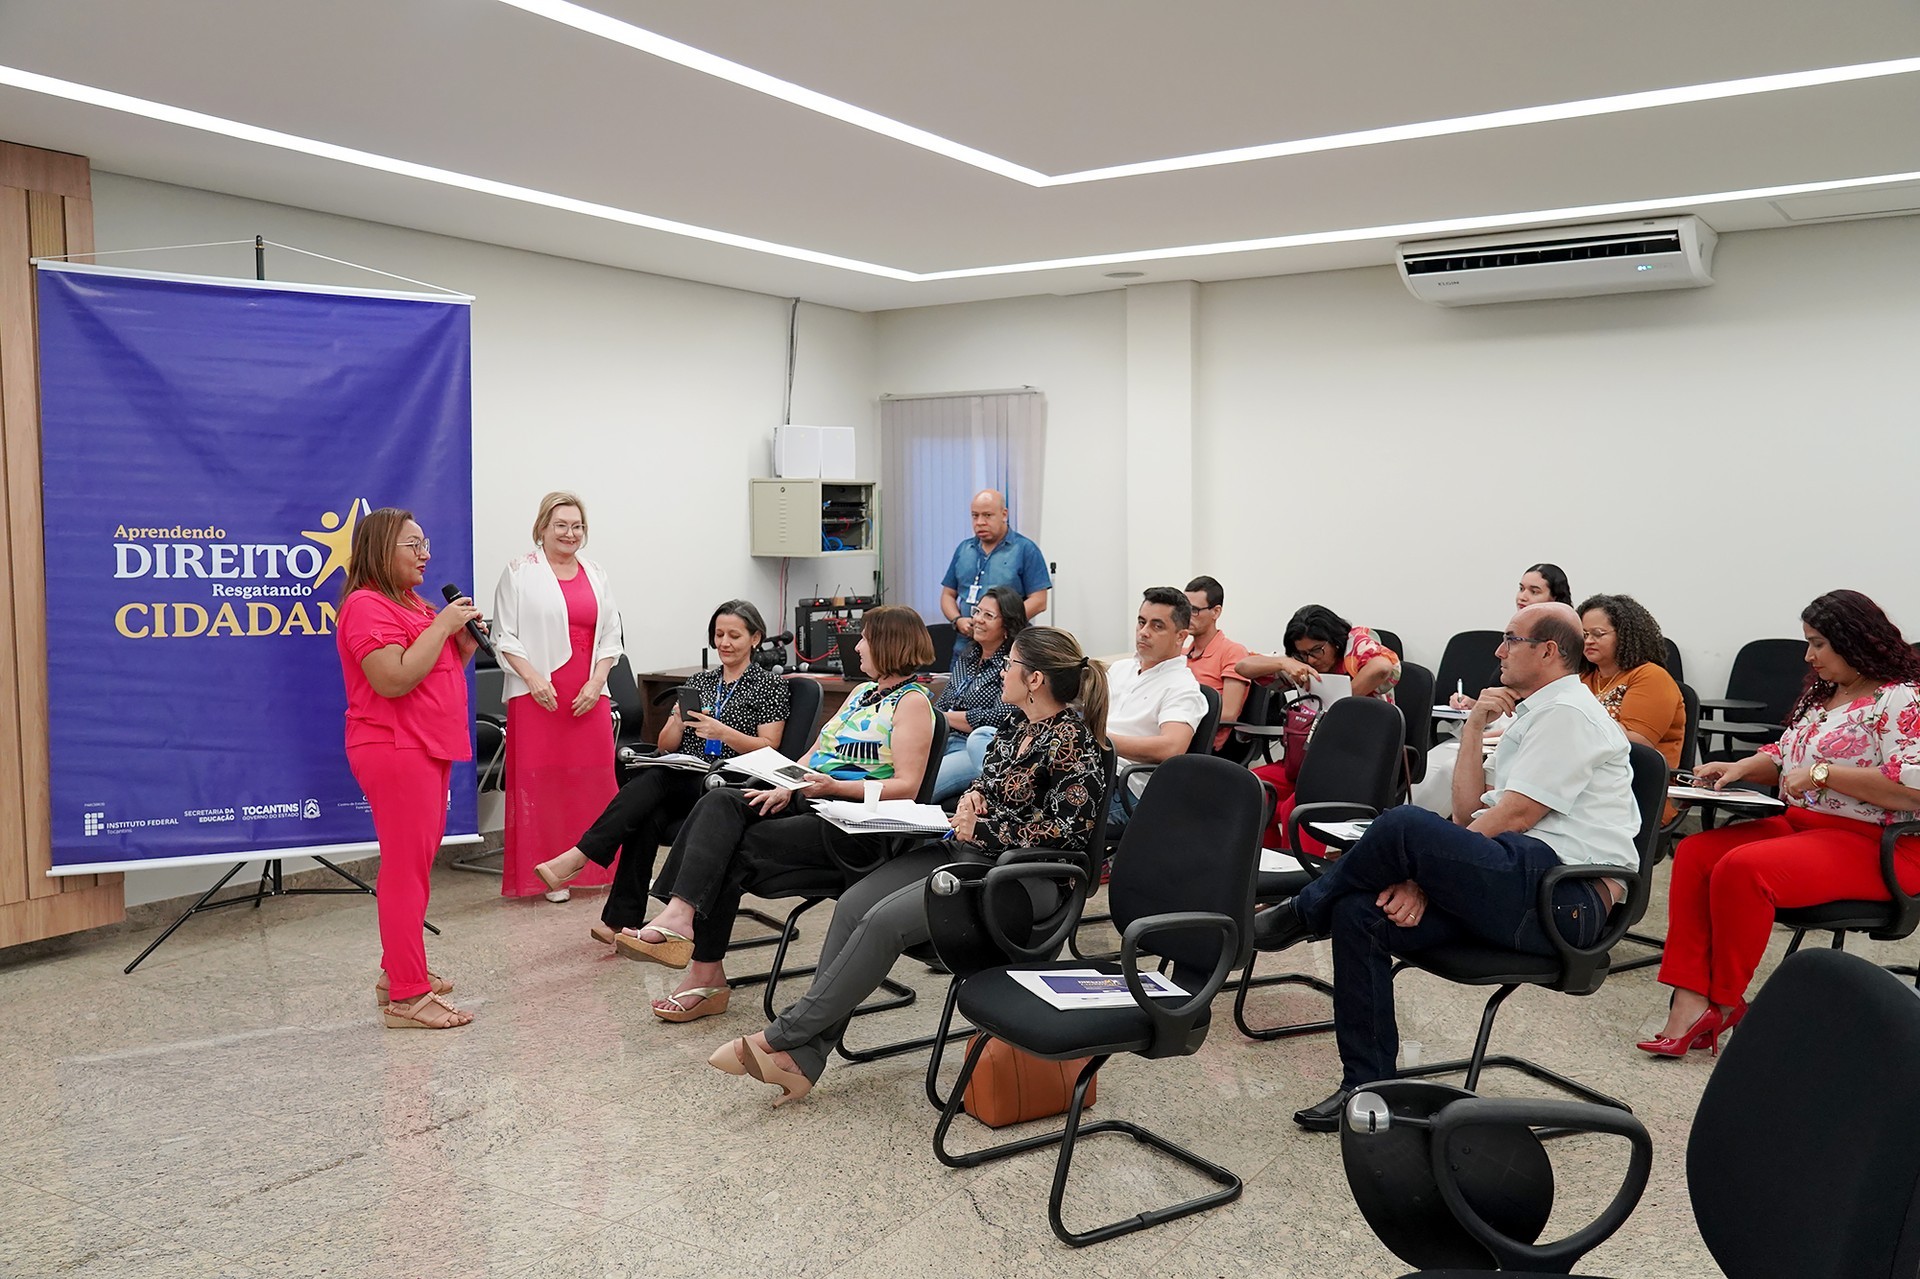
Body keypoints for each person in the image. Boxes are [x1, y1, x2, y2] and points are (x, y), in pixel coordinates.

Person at [1253, 602, 1638, 1130]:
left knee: (1403, 825)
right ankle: (1368, 1087)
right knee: (1361, 912)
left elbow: (1516, 816)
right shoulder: (1534, 713)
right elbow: (1466, 811)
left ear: (1548, 651)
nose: (1499, 650)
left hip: (1563, 899)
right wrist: (1476, 724)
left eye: (1511, 639)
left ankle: (1301, 910)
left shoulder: (1570, 713)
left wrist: (1424, 878)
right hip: (1515, 881)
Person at [708, 626, 1108, 1104]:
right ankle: (804, 1060)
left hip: (1023, 879)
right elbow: (989, 789)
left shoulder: (1077, 744)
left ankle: (781, 1037)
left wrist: (980, 829)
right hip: (970, 855)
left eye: (1012, 664)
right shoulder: (1014, 727)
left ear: (1036, 679)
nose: (1003, 670)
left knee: (882, 923)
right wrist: (973, 800)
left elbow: (1068, 836)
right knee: (854, 903)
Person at [619, 606, 936, 1023]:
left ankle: (704, 972)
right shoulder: (862, 694)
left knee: (726, 849)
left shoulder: (912, 703)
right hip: (812, 799)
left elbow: (907, 786)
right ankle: (680, 916)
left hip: (852, 825)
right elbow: (812, 755)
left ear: (888, 645)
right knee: (721, 800)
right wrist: (786, 782)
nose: (856, 646)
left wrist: (835, 786)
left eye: (864, 639)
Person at [1638, 590, 1920, 1057]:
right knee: (1695, 853)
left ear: (1855, 641)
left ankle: (1725, 1002)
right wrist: (1739, 768)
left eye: (1818, 644)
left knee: (1745, 868)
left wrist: (1827, 775)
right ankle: (1689, 1001)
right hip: (1804, 824)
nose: (1809, 656)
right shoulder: (1827, 693)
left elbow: (1911, 789)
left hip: (1878, 842)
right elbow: (1788, 756)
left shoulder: (1900, 699)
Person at [533, 601, 790, 945]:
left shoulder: (768, 686)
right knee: (649, 810)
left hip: (732, 781)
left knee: (654, 781)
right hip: (689, 777)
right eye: (719, 635)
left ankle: (582, 855)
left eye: (734, 635)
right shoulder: (701, 681)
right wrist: (677, 722)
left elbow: (770, 747)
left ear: (755, 638)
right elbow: (667, 745)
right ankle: (621, 920)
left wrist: (723, 733)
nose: (725, 643)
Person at [335, 508, 482, 1030]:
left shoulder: (410, 602)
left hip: (425, 744)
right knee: (404, 868)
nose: (426, 555)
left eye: (426, 544)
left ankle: (392, 972)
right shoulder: (365, 606)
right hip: (394, 747)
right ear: (380, 550)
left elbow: (429, 672)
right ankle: (407, 996)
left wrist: (459, 644)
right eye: (413, 545)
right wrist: (444, 624)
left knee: (415, 867)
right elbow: (392, 680)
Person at [491, 491, 625, 902]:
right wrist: (533, 679)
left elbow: (611, 635)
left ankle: (600, 865)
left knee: (594, 777)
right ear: (543, 529)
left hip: (587, 691)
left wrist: (596, 682)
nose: (570, 533)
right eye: (561, 525)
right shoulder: (519, 572)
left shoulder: (596, 572)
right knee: (544, 782)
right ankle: (550, 871)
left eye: (577, 526)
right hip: (538, 692)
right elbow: (503, 636)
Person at [1412, 565, 1575, 816]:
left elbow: (1527, 715)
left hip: (1504, 738)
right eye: (1521, 588)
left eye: (1533, 591)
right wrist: (1473, 704)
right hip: (1492, 732)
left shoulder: (1561, 681)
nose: (1522, 597)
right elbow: (1504, 696)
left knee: (1446, 772)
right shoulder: (1518, 648)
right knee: (1428, 765)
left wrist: (1476, 732)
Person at [1240, 605, 1401, 848]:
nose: (1311, 659)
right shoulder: (1300, 662)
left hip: (1357, 764)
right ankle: (1263, 872)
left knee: (1295, 808)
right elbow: (1242, 666)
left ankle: (1300, 878)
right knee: (1250, 788)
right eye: (1303, 654)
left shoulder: (1354, 645)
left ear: (1334, 641)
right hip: (1305, 760)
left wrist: (1339, 707)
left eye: (1317, 650)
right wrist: (1284, 663)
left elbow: (1383, 668)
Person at [1104, 587, 1210, 834]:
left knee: (1036, 803)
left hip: (1127, 790)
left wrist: (1100, 740)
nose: (1143, 632)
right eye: (1141, 622)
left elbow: (1171, 748)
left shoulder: (1182, 687)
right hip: (1092, 772)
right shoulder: (1120, 669)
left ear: (1180, 636)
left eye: (1157, 626)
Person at [930, 585, 1026, 802]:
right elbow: (944, 702)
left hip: (980, 748)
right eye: (977, 611)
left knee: (922, 789)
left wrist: (943, 717)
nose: (978, 620)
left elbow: (1000, 718)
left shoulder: (1011, 666)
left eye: (989, 615)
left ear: (1007, 626)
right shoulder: (968, 655)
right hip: (944, 739)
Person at [1576, 593, 1686, 773]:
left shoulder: (1651, 677)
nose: (1588, 641)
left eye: (1598, 634)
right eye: (1584, 634)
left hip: (1639, 784)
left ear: (1625, 635)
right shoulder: (1583, 677)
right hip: (1590, 775)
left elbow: (1639, 745)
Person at [939, 488, 1051, 636]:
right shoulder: (964, 549)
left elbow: (1038, 600)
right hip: (965, 645)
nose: (980, 522)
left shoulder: (1025, 549)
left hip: (1007, 644)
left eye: (987, 515)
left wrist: (1002, 623)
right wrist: (958, 620)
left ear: (1004, 515)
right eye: (975, 516)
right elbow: (948, 594)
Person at [1183, 576, 1250, 752]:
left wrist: (1177, 718)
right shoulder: (1181, 655)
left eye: (1195, 610)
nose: (1188, 616)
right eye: (1185, 609)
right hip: (1176, 735)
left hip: (1203, 746)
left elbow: (1229, 713)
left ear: (1216, 612)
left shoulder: (1232, 652)